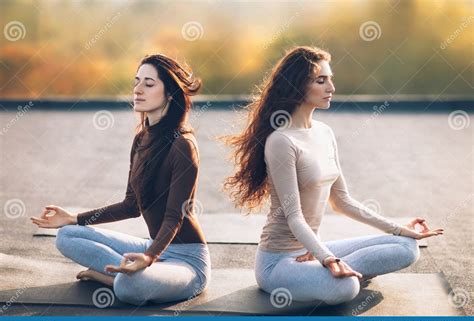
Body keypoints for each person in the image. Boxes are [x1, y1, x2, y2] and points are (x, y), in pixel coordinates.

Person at [222, 46, 443, 305]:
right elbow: (294, 218)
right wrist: (329, 259)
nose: (331, 88)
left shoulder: (324, 133)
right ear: (297, 86)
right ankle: (337, 273)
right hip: (279, 263)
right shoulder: (281, 141)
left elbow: (342, 201)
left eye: (330, 79)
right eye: (321, 80)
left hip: (312, 251)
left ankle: (331, 270)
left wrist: (399, 228)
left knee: (407, 247)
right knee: (345, 288)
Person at [31, 54, 210, 306]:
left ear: (170, 93)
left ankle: (112, 277)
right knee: (66, 235)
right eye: (136, 82)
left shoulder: (183, 145)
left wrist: (149, 257)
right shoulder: (141, 140)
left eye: (149, 84)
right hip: (151, 246)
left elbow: (174, 217)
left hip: (187, 261)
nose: (137, 90)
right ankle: (124, 271)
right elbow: (131, 205)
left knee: (130, 287)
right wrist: (73, 217)